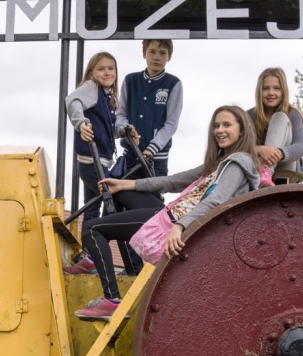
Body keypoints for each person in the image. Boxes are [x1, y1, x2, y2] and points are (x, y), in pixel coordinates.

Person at [74, 105, 260, 320]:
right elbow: (174, 181)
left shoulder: (238, 163)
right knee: (116, 191)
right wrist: (126, 184)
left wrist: (180, 226)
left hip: (178, 226)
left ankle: (111, 299)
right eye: (216, 126)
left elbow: (216, 201)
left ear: (242, 130)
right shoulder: (219, 163)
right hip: (172, 216)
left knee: (91, 229)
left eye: (227, 125)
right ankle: (113, 258)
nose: (220, 130)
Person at [63, 52, 119, 275]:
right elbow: (72, 100)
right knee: (113, 200)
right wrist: (81, 123)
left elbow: (108, 128)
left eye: (111, 68)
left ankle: (88, 257)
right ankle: (95, 255)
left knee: (93, 208)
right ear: (91, 73)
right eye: (101, 69)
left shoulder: (106, 97)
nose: (107, 73)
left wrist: (124, 131)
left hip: (99, 161)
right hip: (91, 161)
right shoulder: (91, 88)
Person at [115, 39, 182, 179]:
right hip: (130, 156)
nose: (157, 57)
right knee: (125, 193)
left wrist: (153, 147)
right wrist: (126, 130)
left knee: (153, 193)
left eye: (162, 53)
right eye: (152, 52)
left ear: (169, 57)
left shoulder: (173, 83)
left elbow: (171, 123)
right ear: (144, 54)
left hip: (157, 160)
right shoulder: (130, 80)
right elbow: (121, 114)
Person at [246, 67, 303, 188]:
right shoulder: (249, 116)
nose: (271, 93)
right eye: (265, 88)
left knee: (280, 117)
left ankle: (266, 171)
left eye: (277, 88)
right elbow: (237, 148)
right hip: (255, 165)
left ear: (283, 91)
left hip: (284, 166)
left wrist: (277, 153)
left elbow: (300, 147)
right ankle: (262, 174)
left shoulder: (292, 114)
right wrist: (260, 150)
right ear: (259, 91)